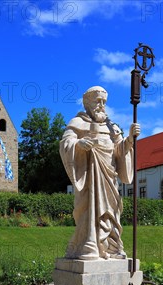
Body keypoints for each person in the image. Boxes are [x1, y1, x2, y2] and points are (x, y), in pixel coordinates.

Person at [60, 86, 140, 260]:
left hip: (109, 177)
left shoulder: (112, 127)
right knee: (89, 210)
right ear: (87, 102)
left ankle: (111, 247)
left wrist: (129, 140)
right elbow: (66, 143)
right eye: (98, 101)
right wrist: (78, 145)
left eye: (104, 101)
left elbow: (119, 151)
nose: (101, 105)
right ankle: (88, 246)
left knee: (112, 210)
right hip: (89, 177)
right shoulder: (78, 122)